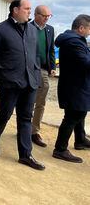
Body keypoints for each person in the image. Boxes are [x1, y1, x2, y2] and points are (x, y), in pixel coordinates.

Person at [0, 0, 45, 170]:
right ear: (15, 10)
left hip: (30, 81)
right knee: (4, 113)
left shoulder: (33, 31)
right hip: (9, 81)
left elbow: (36, 55)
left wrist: (37, 74)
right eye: (26, 8)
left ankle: (25, 155)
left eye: (30, 9)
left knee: (26, 117)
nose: (29, 12)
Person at [52, 14, 90, 163]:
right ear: (81, 28)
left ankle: (80, 140)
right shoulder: (74, 42)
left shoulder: (74, 40)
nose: (89, 33)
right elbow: (86, 63)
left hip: (76, 85)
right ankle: (60, 149)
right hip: (75, 86)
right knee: (73, 116)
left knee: (80, 113)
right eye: (88, 29)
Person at [30, 5, 56, 147]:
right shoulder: (27, 27)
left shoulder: (50, 29)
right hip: (29, 69)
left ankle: (34, 132)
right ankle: (25, 127)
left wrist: (52, 67)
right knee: (28, 100)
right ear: (36, 15)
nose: (47, 19)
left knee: (41, 101)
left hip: (43, 69)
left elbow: (51, 49)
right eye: (45, 16)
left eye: (49, 16)